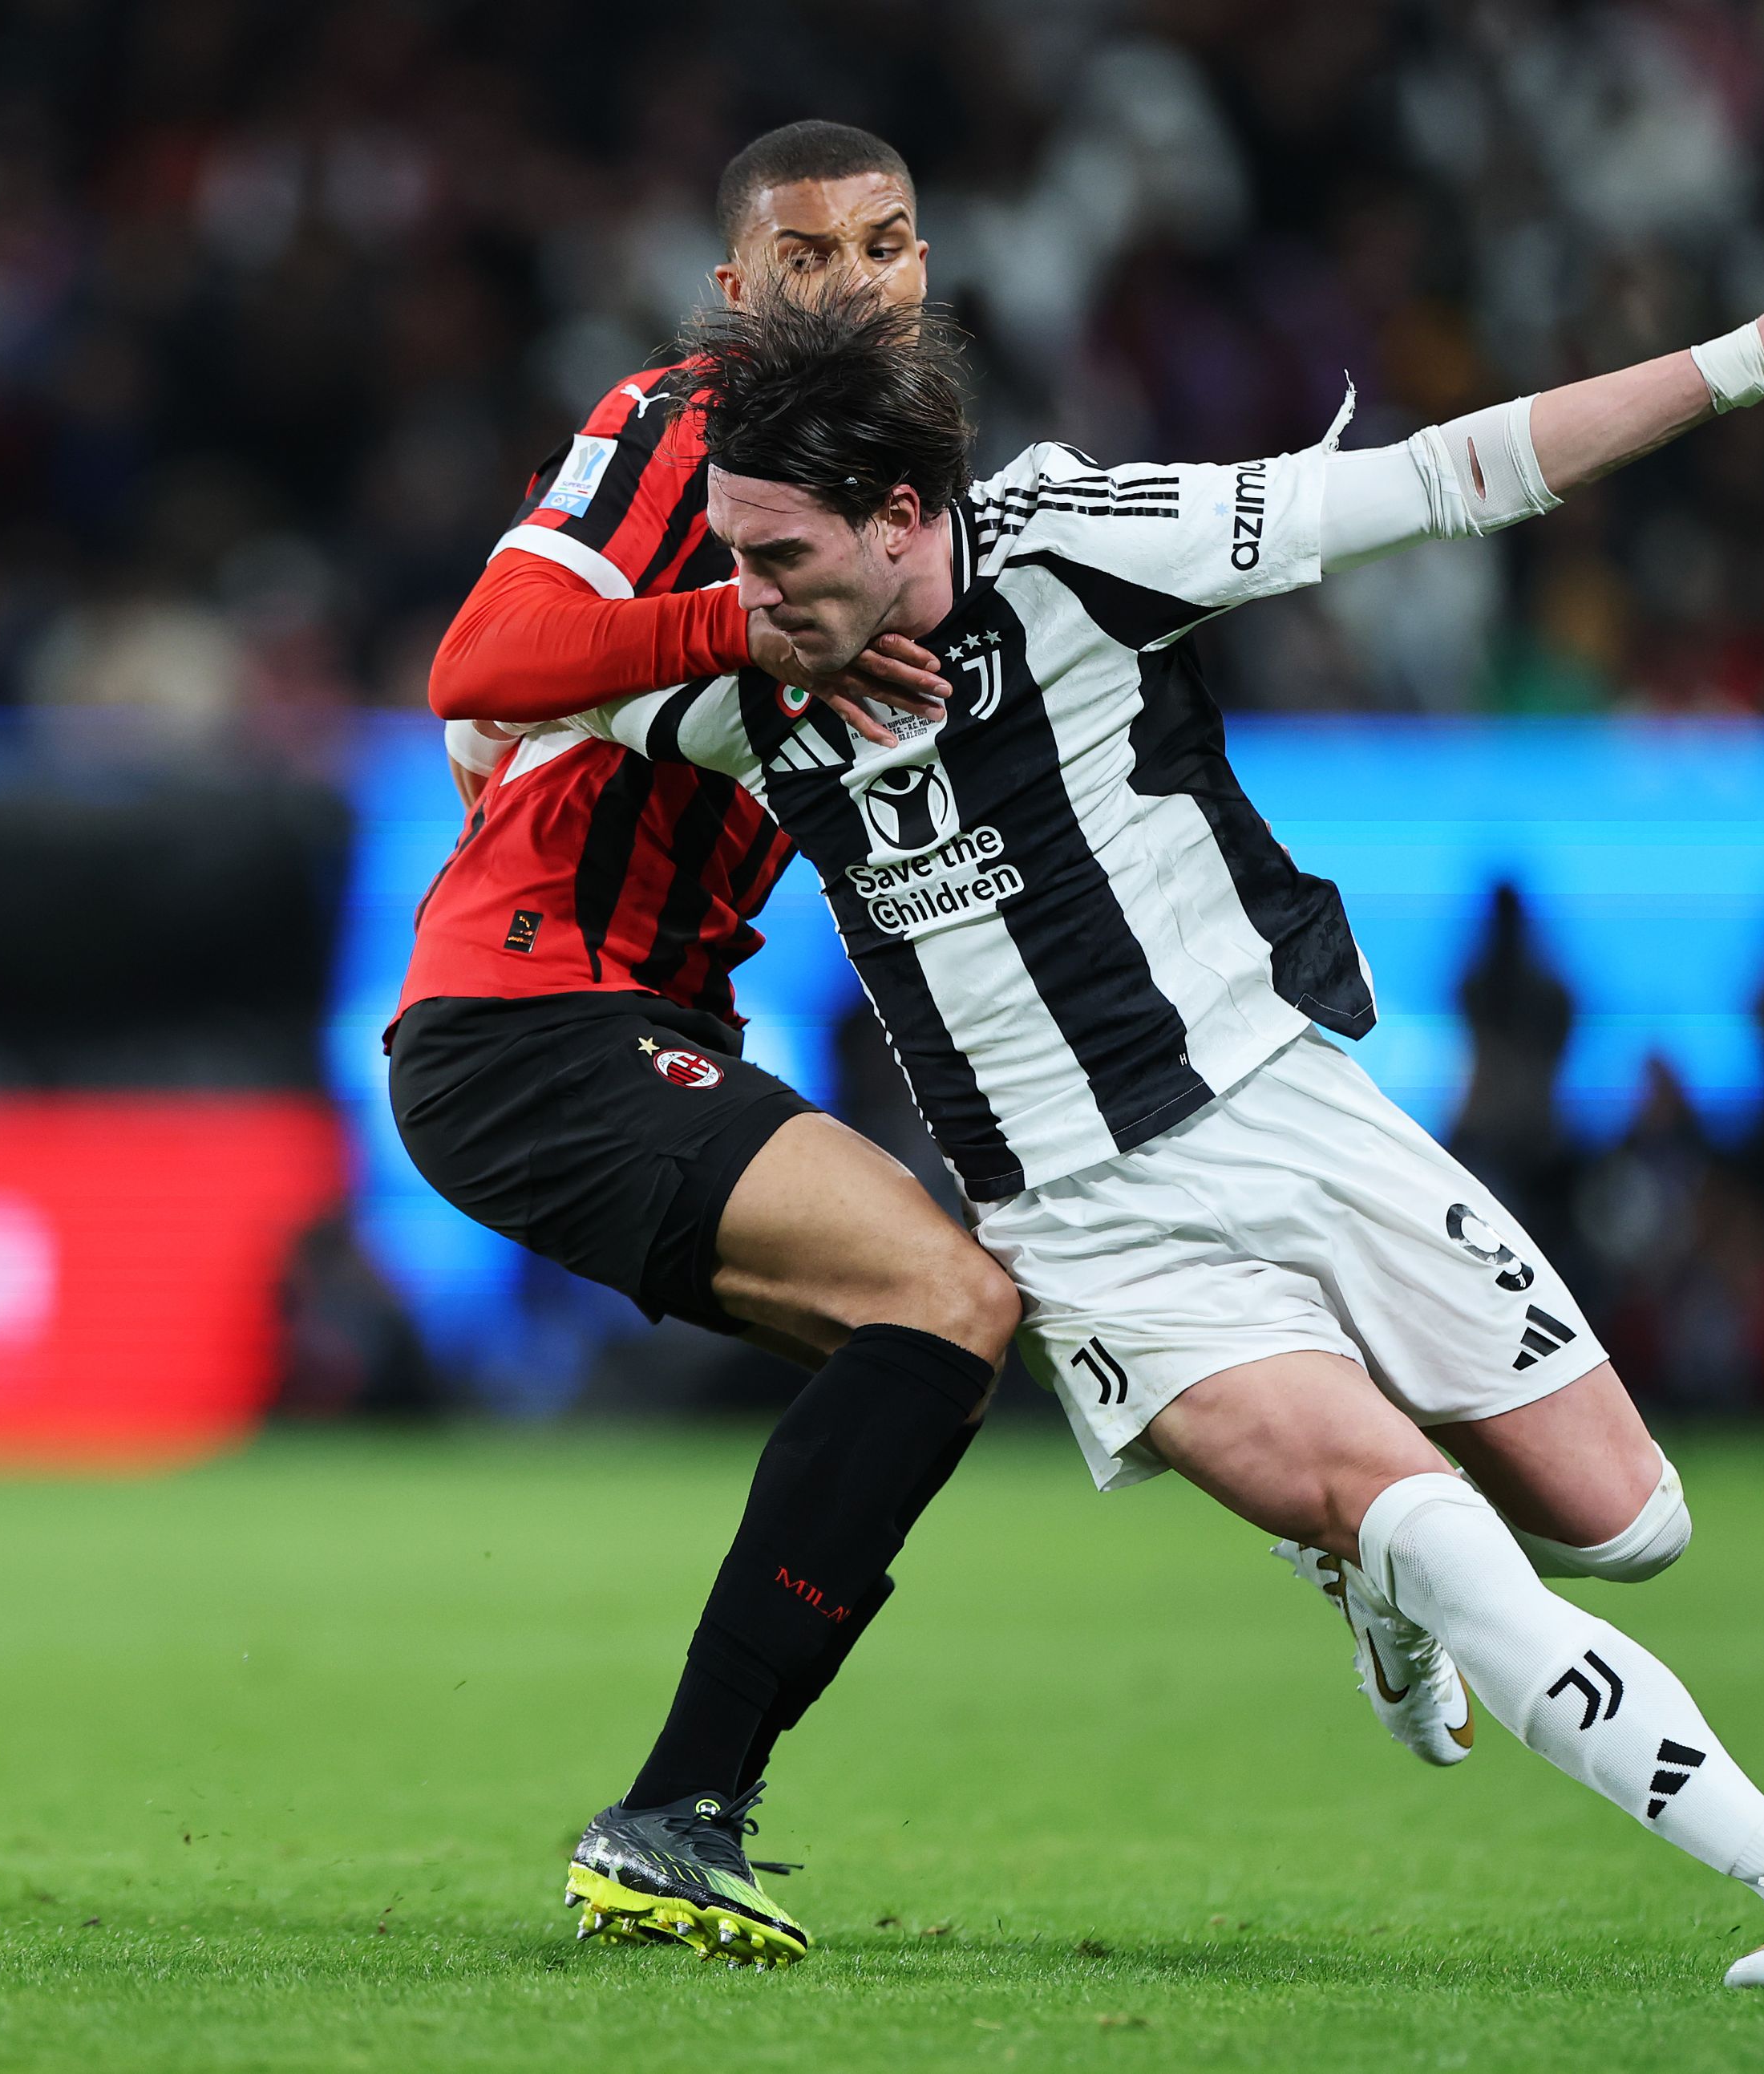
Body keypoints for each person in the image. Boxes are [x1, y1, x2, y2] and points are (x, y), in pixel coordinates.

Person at [542, 182, 1764, 1990]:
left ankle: (1364, 1576)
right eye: (725, 557)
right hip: (1091, 1236)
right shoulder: (743, 681)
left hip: (1290, 1112)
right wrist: (615, 680)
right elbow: (502, 693)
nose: (741, 600)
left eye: (775, 559)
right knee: (1441, 1536)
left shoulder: (1079, 545)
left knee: (1629, 1526)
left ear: (901, 519)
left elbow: (1452, 475)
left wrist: (1752, 355)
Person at [390, 121, 1005, 1971]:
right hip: (530, 1017)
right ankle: (672, 1813)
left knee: (967, 1334)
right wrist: (741, 623)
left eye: (885, 245)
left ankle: (685, 1812)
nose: (854, 284)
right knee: (944, 1301)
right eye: (805, 257)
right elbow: (475, 665)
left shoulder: (913, 500)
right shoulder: (679, 424)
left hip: (629, 1019)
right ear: (736, 293)